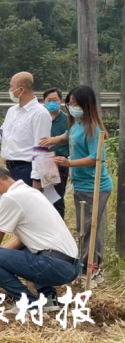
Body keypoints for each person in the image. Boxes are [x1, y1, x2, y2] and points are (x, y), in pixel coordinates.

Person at [0, 164, 81, 314]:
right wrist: (1, 259)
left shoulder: (10, 198)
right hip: (71, 266)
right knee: (27, 248)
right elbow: (20, 241)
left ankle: (29, 303)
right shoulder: (30, 192)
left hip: (54, 266)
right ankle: (48, 297)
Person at [40, 85, 112, 288]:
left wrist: (70, 163)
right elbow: (67, 135)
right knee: (83, 228)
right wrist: (54, 139)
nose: (72, 108)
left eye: (76, 104)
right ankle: (84, 265)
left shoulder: (94, 128)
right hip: (80, 184)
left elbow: (96, 158)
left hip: (95, 185)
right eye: (70, 104)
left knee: (91, 227)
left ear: (87, 105)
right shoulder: (77, 124)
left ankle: (93, 269)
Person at [0, 72, 51, 189]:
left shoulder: (39, 113)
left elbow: (41, 148)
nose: (10, 90)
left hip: (26, 169)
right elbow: (2, 135)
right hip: (10, 168)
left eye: (11, 87)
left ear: (21, 89)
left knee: (25, 205)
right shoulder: (12, 111)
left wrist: (37, 178)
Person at [42, 88, 69, 219]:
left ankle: (59, 233)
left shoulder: (68, 120)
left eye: (55, 100)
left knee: (57, 201)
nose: (52, 103)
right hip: (40, 164)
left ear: (61, 101)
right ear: (43, 101)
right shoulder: (40, 117)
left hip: (58, 165)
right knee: (41, 201)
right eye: (49, 100)